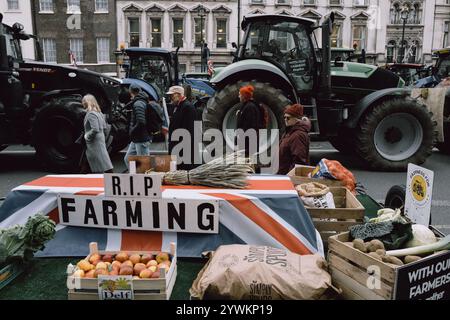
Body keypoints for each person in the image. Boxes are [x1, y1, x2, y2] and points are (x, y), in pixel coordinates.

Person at [166, 85, 197, 170]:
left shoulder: (188, 107)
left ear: (178, 94)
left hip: (183, 148)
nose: (170, 97)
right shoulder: (178, 106)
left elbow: (189, 130)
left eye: (172, 95)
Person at [81, 94, 113, 173]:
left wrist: (87, 136)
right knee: (100, 160)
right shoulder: (99, 112)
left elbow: (95, 129)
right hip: (99, 140)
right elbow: (105, 127)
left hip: (94, 141)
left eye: (83, 101)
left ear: (87, 102)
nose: (82, 103)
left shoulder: (91, 114)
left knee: (101, 162)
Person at [277, 103, 311, 175]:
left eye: (288, 118)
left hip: (289, 178)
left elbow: (298, 161)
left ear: (296, 119)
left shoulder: (298, 135)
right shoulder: (290, 132)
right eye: (284, 117)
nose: (285, 120)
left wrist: (289, 177)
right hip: (284, 175)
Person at [123, 83, 151, 169]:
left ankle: (143, 180)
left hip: (141, 138)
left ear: (131, 92)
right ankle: (136, 178)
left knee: (144, 164)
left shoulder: (138, 103)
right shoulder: (139, 101)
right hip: (137, 138)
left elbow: (141, 122)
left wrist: (132, 131)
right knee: (128, 159)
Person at [236, 85, 264, 157]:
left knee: (248, 162)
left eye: (240, 94)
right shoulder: (248, 106)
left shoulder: (250, 107)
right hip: (249, 142)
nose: (238, 96)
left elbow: (249, 126)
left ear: (244, 96)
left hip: (248, 143)